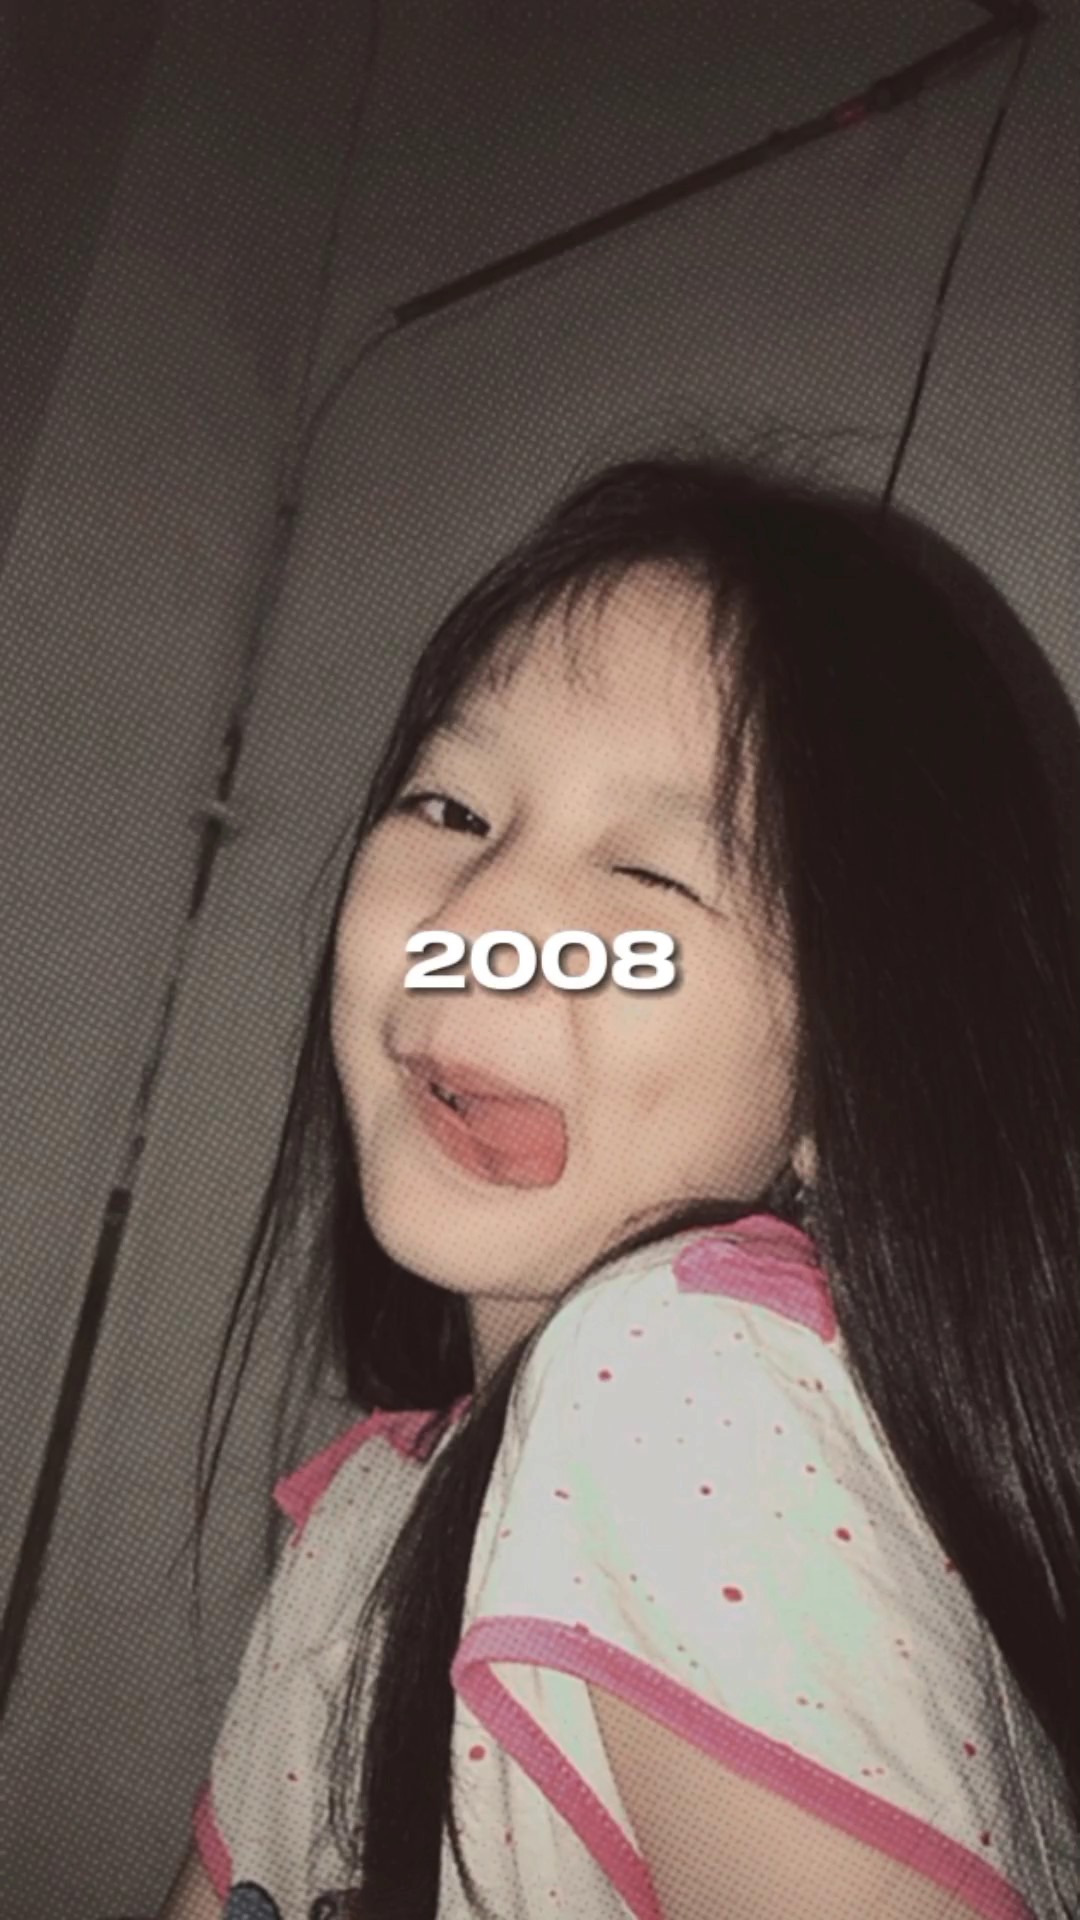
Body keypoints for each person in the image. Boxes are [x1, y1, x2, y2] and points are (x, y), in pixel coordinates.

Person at [158, 452, 1080, 1920]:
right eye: (451, 809)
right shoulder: (371, 1518)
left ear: (850, 1077)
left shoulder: (677, 1376)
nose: (486, 923)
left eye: (650, 882)